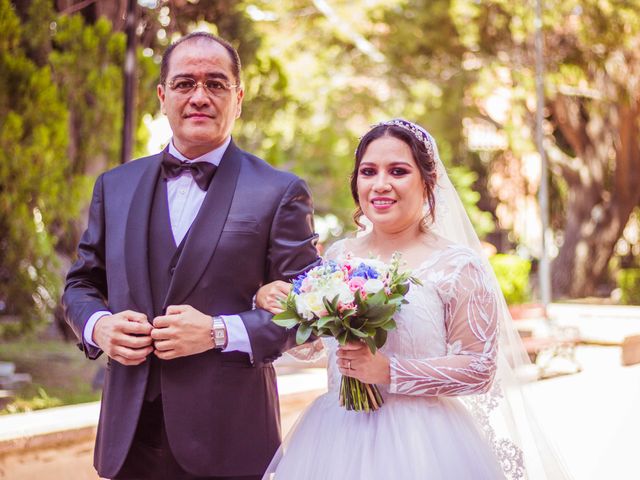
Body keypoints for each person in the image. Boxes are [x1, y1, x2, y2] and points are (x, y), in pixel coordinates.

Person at [62, 32, 319, 480]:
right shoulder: (114, 186)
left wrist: (219, 331)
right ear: (163, 96)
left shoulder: (280, 192)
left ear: (238, 98)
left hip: (230, 439)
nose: (199, 96)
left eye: (215, 84)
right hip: (129, 439)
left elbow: (309, 310)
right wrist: (99, 327)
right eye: (185, 83)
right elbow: (81, 284)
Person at [256, 119, 571, 479]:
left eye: (399, 171)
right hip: (336, 437)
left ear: (428, 182)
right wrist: (281, 307)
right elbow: (315, 348)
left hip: (424, 445)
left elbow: (480, 369)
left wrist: (389, 371)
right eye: (368, 171)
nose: (380, 184)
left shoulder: (457, 265)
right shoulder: (338, 256)